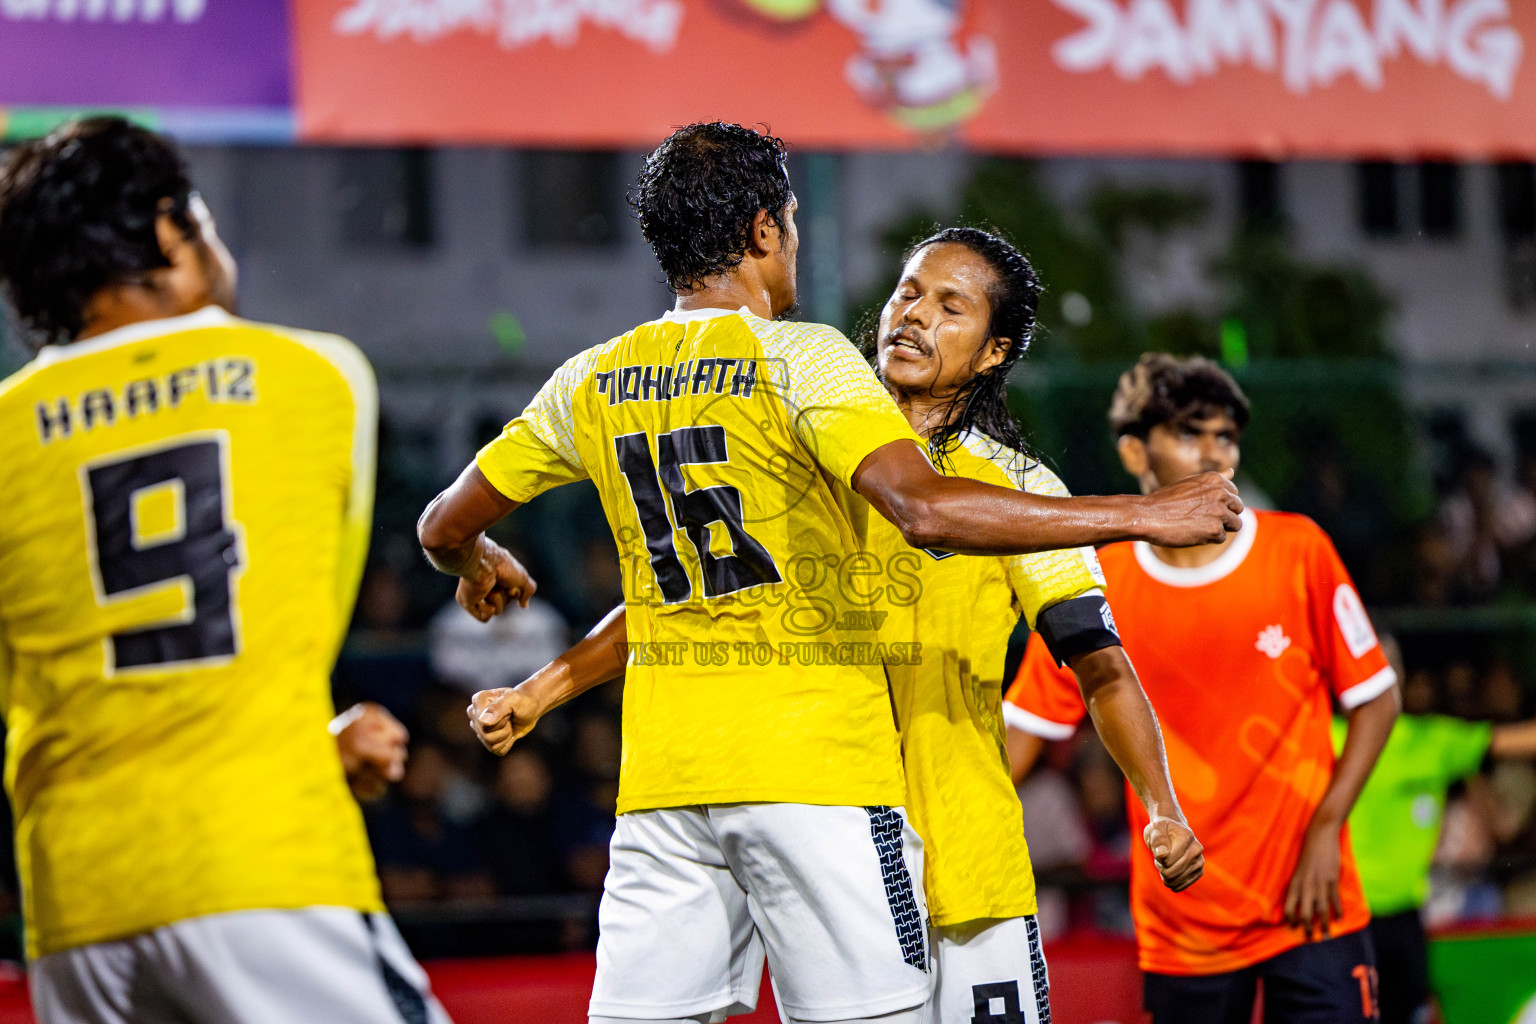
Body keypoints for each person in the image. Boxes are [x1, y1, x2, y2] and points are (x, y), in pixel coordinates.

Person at [417, 123, 1240, 1024]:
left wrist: (1159, 803)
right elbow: (723, 579)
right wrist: (548, 686)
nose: (913, 314)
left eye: (951, 306)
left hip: (942, 845)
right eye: (907, 291)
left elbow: (1095, 657)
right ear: (769, 231)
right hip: (820, 794)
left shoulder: (1011, 487)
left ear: (996, 350)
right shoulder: (818, 407)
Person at [0, 118, 449, 1024]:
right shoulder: (320, 377)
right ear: (170, 232)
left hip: (75, 904)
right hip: (263, 861)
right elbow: (287, 636)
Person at [1005, 353, 1401, 1024]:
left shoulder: (1298, 550)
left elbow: (1377, 697)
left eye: (1226, 435)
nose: (1215, 452)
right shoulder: (1096, 580)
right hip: (1182, 927)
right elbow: (1019, 739)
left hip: (1313, 912)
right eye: (1191, 433)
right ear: (1135, 452)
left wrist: (1327, 825)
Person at [1338, 638, 1536, 1024]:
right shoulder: (1319, 738)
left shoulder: (1429, 741)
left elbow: (1515, 741)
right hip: (1338, 924)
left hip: (1405, 922)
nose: (1381, 675)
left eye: (1388, 664)